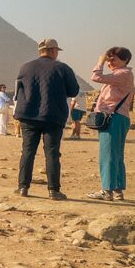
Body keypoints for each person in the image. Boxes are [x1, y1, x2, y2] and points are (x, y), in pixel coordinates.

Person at [13, 39, 80, 199]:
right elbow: (73, 91)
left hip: (28, 116)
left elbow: (18, 91)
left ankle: (23, 188)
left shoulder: (25, 67)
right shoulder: (62, 68)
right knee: (52, 153)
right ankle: (53, 190)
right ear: (52, 50)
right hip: (53, 116)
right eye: (56, 51)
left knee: (27, 152)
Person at [87, 47, 135, 201]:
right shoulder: (121, 75)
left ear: (125, 60)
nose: (110, 63)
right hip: (119, 118)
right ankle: (118, 190)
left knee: (107, 155)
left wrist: (100, 61)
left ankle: (106, 190)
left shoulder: (123, 74)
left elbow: (95, 76)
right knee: (117, 155)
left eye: (113, 59)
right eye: (109, 59)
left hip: (113, 119)